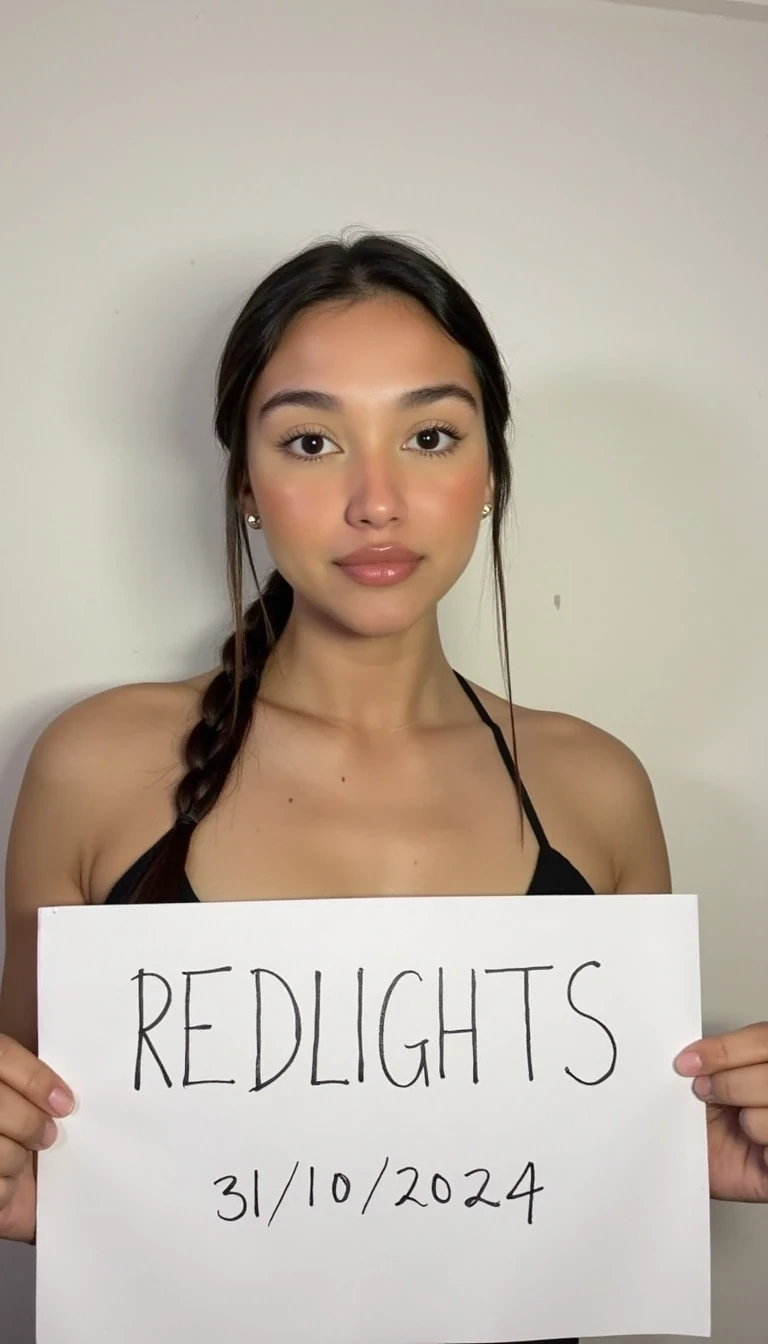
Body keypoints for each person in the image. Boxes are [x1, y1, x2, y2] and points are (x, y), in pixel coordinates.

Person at [0, 232, 766, 1344]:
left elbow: (575, 1181)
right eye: (311, 440)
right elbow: (45, 1159)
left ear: (490, 471)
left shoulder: (597, 789)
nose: (376, 499)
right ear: (247, 483)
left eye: (430, 436)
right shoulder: (94, 762)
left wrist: (686, 1151)